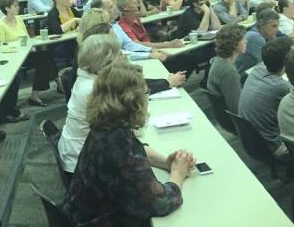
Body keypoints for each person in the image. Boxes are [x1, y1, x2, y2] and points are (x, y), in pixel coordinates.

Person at [63, 61, 195, 226]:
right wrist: (178, 174)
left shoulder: (107, 126)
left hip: (83, 215)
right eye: (146, 92)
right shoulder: (117, 143)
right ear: (133, 102)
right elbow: (159, 204)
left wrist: (165, 162)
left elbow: (136, 150)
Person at [57, 34, 127, 174]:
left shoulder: (85, 77)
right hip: (82, 166)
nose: (123, 57)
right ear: (106, 60)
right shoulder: (94, 89)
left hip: (78, 152)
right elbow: (123, 133)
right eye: (119, 53)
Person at [239, 37, 294, 159]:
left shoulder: (256, 71)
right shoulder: (281, 86)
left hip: (252, 142)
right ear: (287, 62)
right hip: (274, 146)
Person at [235, 8, 282, 76]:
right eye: (274, 26)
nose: (277, 30)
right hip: (244, 79)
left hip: (252, 74)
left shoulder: (264, 33)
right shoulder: (256, 38)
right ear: (261, 24)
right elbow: (268, 65)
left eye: (277, 26)